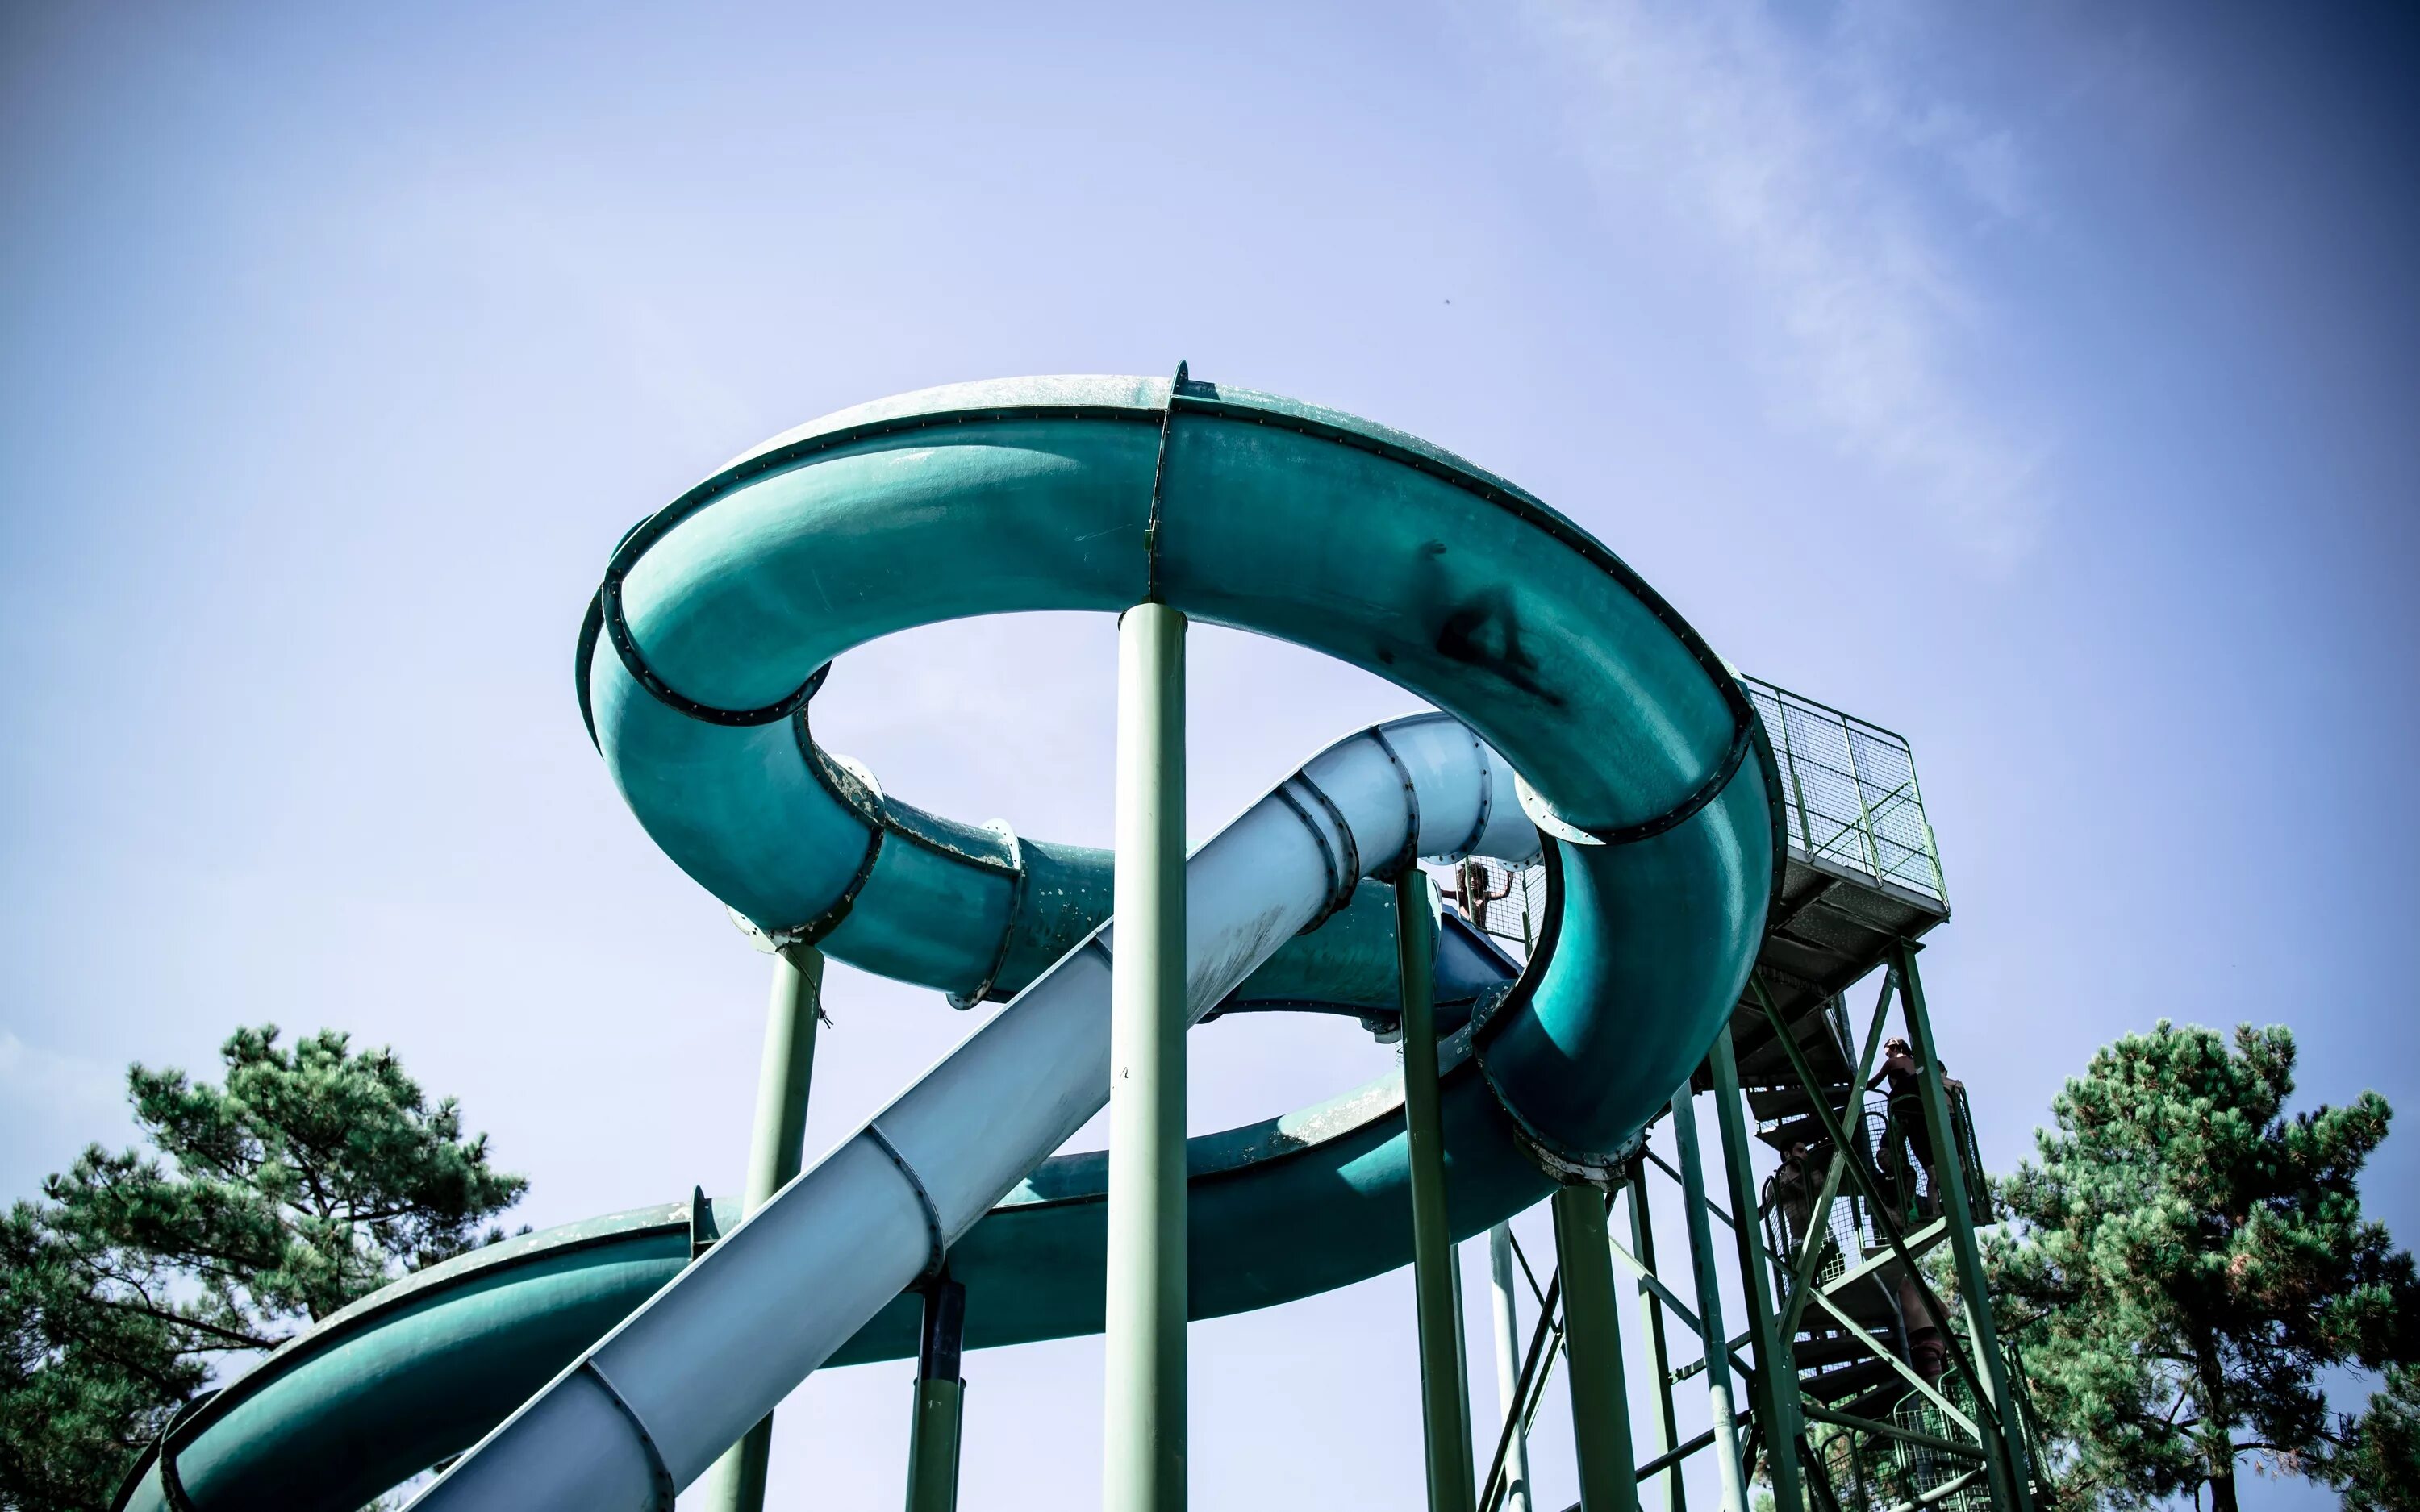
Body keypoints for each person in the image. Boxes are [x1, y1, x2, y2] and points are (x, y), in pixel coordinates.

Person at [1867, 1037, 1963, 1220]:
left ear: (1895, 1047)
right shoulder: (1918, 1064)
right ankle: (1943, 1207)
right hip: (1926, 1116)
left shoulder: (1894, 1063)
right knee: (1944, 1169)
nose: (1887, 1053)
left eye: (1888, 1049)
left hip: (1911, 1119)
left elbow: (1873, 1082)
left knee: (1934, 1172)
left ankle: (1933, 1211)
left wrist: (1859, 1085)